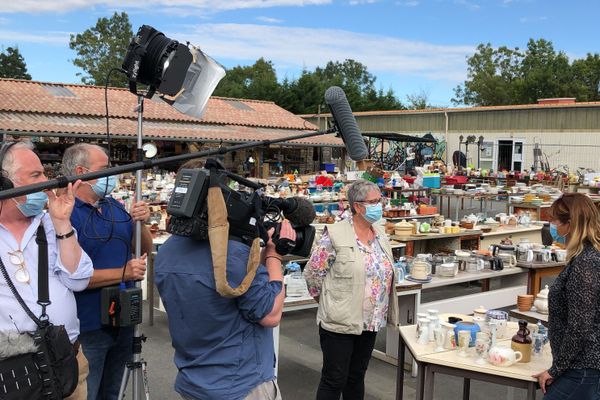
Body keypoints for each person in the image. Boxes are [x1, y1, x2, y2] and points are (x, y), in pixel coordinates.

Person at [155, 169, 296, 400]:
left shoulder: (167, 251)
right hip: (240, 382)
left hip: (193, 380)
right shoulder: (234, 256)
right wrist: (274, 256)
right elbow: (270, 314)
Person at [0, 141, 94, 400]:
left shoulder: (50, 223)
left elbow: (79, 279)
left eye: (44, 173)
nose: (47, 181)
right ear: (4, 184)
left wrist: (62, 223)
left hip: (67, 361)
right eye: (35, 175)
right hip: (13, 373)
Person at [61, 143, 152, 400]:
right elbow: (71, 277)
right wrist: (123, 273)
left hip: (125, 320)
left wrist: (140, 223)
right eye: (105, 168)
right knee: (87, 392)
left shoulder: (114, 207)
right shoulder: (66, 217)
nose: (112, 174)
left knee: (113, 392)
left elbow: (142, 250)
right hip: (90, 325)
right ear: (82, 171)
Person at [304, 179, 398, 400]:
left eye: (380, 200)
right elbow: (313, 274)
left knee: (356, 377)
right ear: (357, 206)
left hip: (370, 320)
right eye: (374, 201)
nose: (379, 205)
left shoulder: (379, 235)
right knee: (334, 378)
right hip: (340, 321)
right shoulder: (335, 234)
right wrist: (330, 301)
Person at [533, 193, 600, 399]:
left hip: (582, 368)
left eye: (554, 220)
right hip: (579, 367)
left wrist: (556, 370)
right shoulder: (585, 257)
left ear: (569, 224)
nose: (552, 226)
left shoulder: (586, 263)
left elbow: (580, 325)